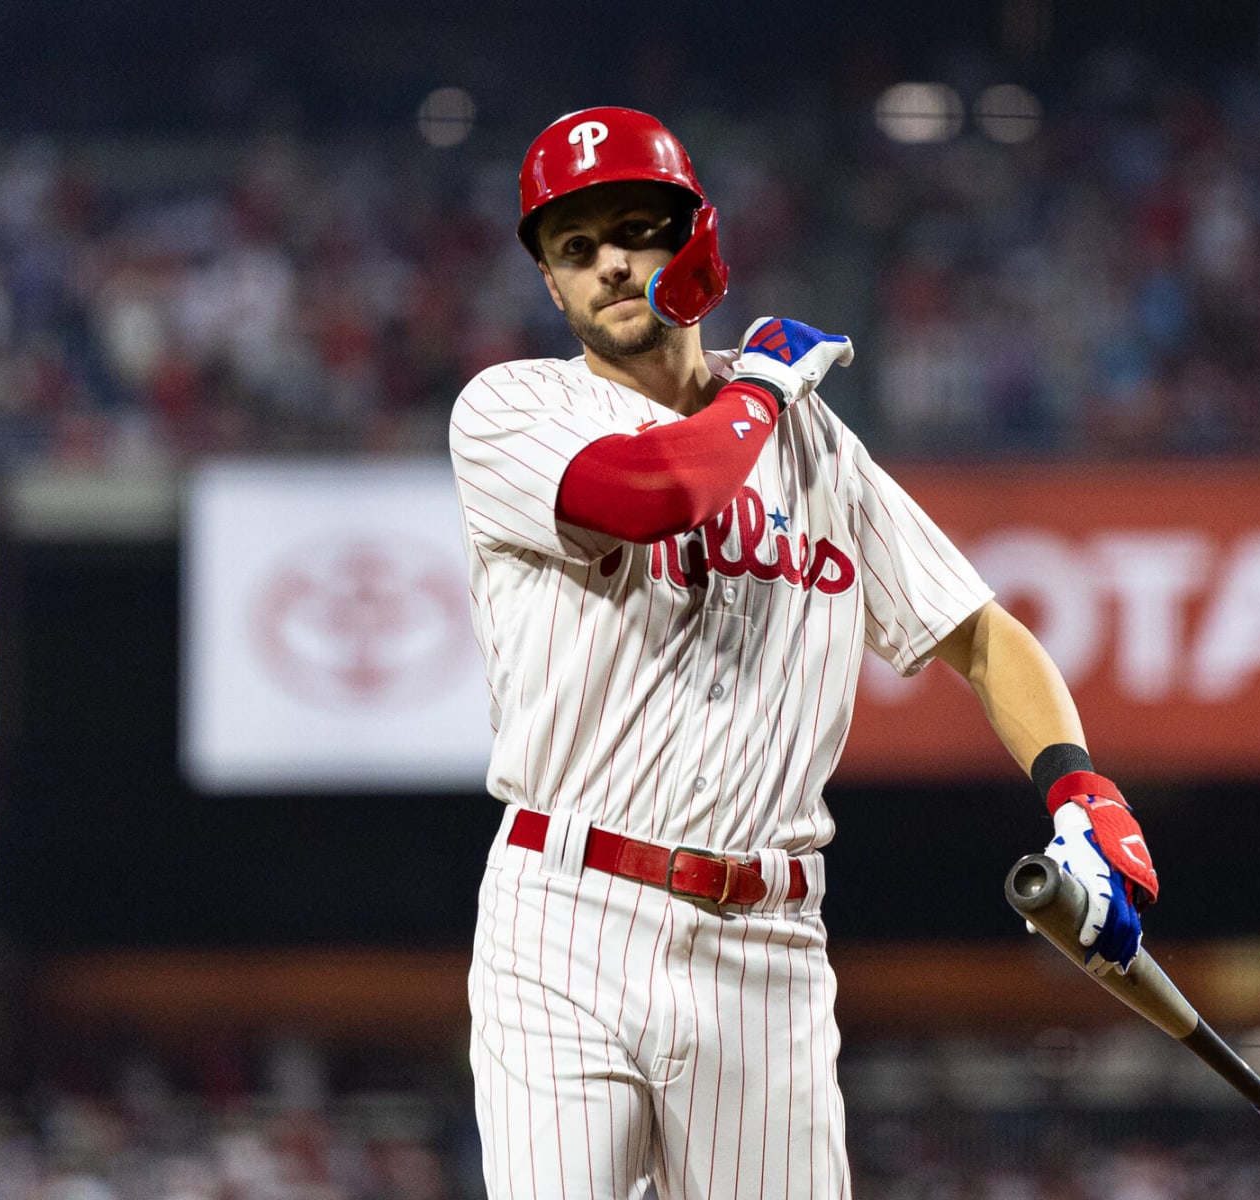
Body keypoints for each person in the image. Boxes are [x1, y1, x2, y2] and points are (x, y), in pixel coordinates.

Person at [447, 107, 1158, 1200]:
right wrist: (763, 390)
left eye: (635, 229)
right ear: (548, 283)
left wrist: (1081, 792)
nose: (608, 264)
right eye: (574, 249)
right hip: (564, 917)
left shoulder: (815, 441)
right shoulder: (512, 408)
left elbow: (981, 635)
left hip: (766, 946)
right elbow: (655, 494)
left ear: (698, 243)